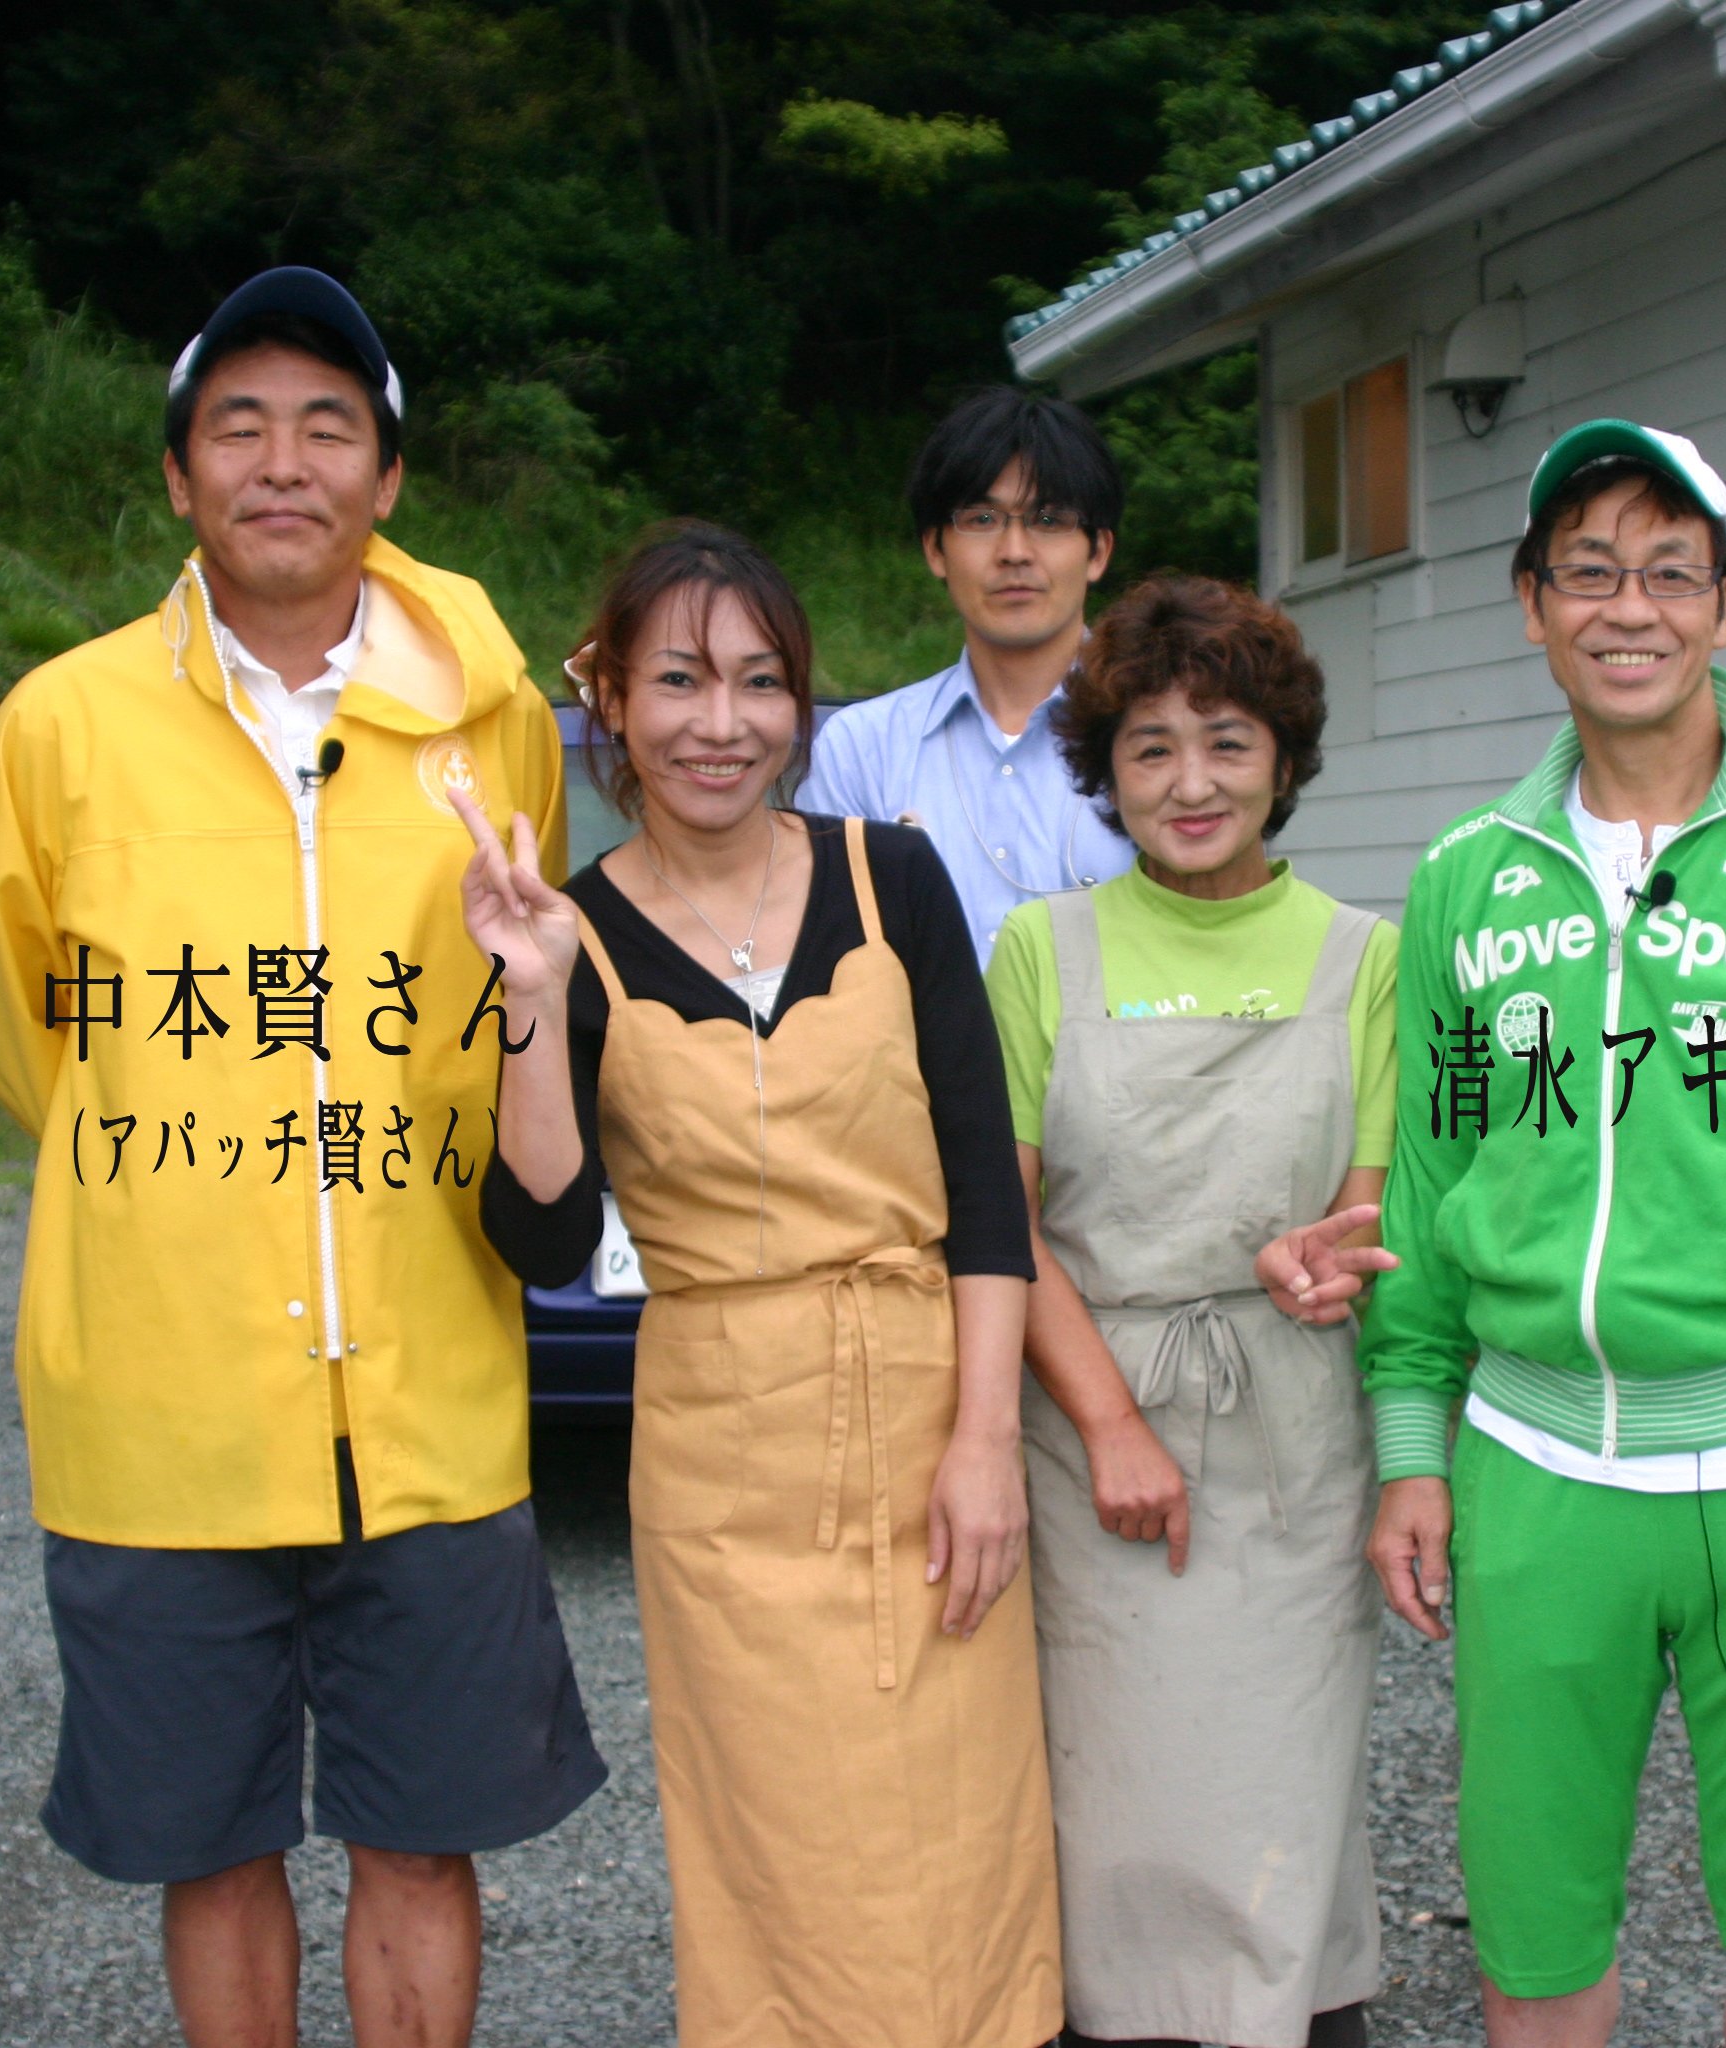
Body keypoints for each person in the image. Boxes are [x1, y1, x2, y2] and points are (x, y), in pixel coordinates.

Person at [0, 266, 606, 2048]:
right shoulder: (59, 729)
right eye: (236, 422)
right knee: (210, 1838)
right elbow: (37, 1044)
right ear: (177, 476)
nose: (282, 460)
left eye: (330, 423)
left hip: (426, 1392)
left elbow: (507, 1005)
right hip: (163, 1399)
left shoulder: (489, 723)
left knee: (420, 1830)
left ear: (389, 479)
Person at [1355, 421, 1726, 2048]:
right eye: (1588, 571)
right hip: (1533, 1472)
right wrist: (1411, 1450)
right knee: (1533, 1933)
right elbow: (1425, 1185)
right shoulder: (1461, 882)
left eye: (1668, 572)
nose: (1627, 607)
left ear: (1724, 604)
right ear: (1528, 603)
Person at [471, 520, 1063, 2048]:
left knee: (963, 1832)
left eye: (757, 682)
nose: (719, 723)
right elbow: (542, 1238)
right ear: (607, 696)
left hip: (929, 1410)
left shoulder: (893, 881)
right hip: (725, 1453)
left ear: (799, 704)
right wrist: (530, 1002)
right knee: (776, 1849)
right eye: (677, 681)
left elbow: (987, 1197)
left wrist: (989, 1443)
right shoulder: (577, 933)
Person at [982, 575, 1401, 2048]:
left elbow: (1367, 1206)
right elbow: (999, 1221)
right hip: (1089, 1416)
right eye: (1149, 747)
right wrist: (1108, 1425)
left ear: (1284, 757)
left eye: (1226, 741)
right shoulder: (1045, 950)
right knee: (1111, 1807)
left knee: (1282, 1791)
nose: (1191, 782)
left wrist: (1326, 1260)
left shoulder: (1368, 954)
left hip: (1291, 1426)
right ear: (1106, 773)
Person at [796, 387, 1138, 961]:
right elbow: (824, 952)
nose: (1014, 550)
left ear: (1098, 551)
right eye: (981, 518)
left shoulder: (1163, 738)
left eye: (1049, 519)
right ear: (935, 549)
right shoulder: (862, 749)